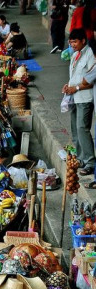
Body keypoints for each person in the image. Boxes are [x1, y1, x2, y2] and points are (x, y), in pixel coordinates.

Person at [62, 29, 96, 176]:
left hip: (85, 98)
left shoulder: (90, 55)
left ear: (83, 41)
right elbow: (75, 76)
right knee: (75, 130)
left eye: (75, 41)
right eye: (71, 42)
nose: (72, 44)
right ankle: (81, 158)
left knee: (83, 129)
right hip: (74, 97)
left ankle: (90, 162)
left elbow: (90, 80)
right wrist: (68, 86)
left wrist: (75, 88)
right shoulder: (75, 55)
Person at [78, 40, 96, 188]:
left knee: (86, 130)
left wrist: (76, 87)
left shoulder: (94, 61)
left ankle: (91, 165)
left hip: (86, 98)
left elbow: (86, 79)